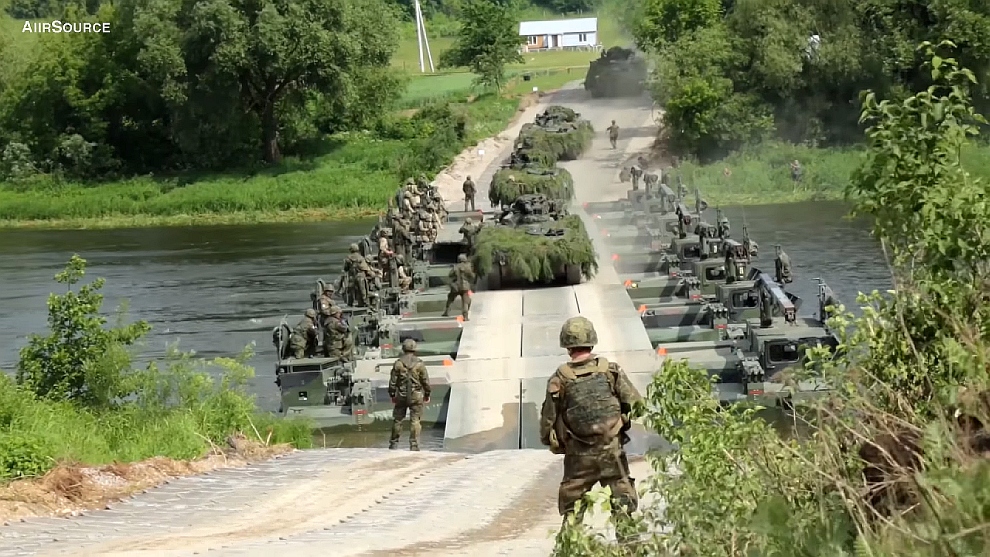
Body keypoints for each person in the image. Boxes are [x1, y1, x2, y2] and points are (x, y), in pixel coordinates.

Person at [540, 316, 642, 536]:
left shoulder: (559, 379)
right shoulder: (611, 372)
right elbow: (636, 405)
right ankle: (630, 550)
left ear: (567, 346)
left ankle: (570, 550)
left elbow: (548, 419)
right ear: (592, 342)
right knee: (623, 508)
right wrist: (622, 422)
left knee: (573, 514)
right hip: (612, 453)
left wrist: (551, 441)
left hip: (579, 458)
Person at [388, 339, 431, 451]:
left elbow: (392, 382)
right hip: (416, 396)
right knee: (415, 420)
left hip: (401, 396)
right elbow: (425, 381)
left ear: (403, 348)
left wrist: (392, 394)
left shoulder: (398, 363)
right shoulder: (420, 364)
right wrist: (427, 394)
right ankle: (414, 445)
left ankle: (393, 444)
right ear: (414, 349)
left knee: (398, 420)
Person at [443, 254, 475, 320]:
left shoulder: (455, 267)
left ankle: (446, 312)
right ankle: (465, 316)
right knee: (465, 302)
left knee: (450, 299)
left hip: (456, 286)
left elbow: (450, 275)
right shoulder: (467, 267)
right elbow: (472, 276)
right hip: (465, 287)